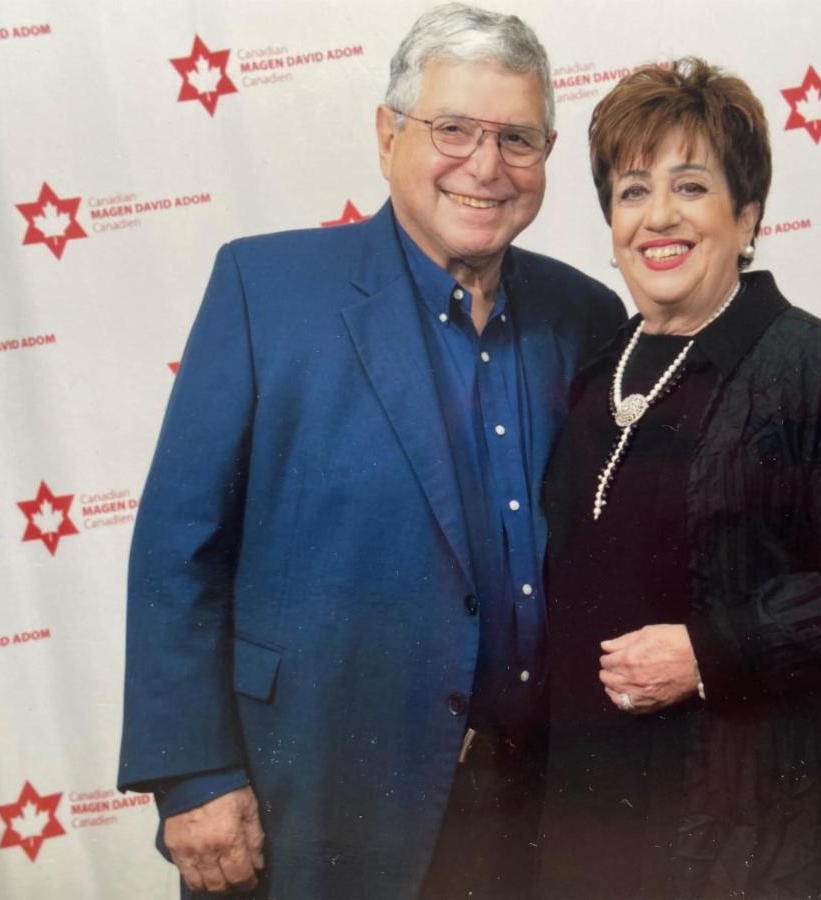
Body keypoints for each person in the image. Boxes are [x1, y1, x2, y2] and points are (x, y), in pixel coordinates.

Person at [117, 5, 624, 898]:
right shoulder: (265, 289)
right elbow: (177, 548)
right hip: (314, 792)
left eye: (516, 139)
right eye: (453, 129)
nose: (485, 165)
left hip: (534, 804)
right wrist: (193, 776)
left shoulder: (585, 315)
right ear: (388, 137)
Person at [534, 58, 821, 899]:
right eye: (633, 191)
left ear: (746, 215)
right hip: (602, 803)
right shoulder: (599, 369)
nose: (659, 217)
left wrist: (710, 653)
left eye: (691, 187)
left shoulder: (812, 366)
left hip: (762, 812)